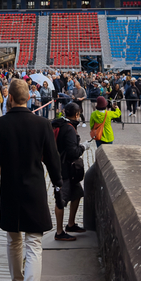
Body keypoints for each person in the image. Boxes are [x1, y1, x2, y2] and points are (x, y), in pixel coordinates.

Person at [0, 79, 62, 281]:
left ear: (9, 98)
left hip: (9, 189)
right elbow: (53, 160)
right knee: (34, 244)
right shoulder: (42, 125)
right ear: (28, 98)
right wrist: (58, 185)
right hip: (35, 189)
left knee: (13, 240)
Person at [52, 103, 86, 242]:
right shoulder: (69, 129)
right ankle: (59, 232)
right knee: (61, 200)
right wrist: (83, 147)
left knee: (77, 193)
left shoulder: (60, 124)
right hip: (65, 169)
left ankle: (71, 224)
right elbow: (73, 152)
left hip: (66, 167)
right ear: (77, 115)